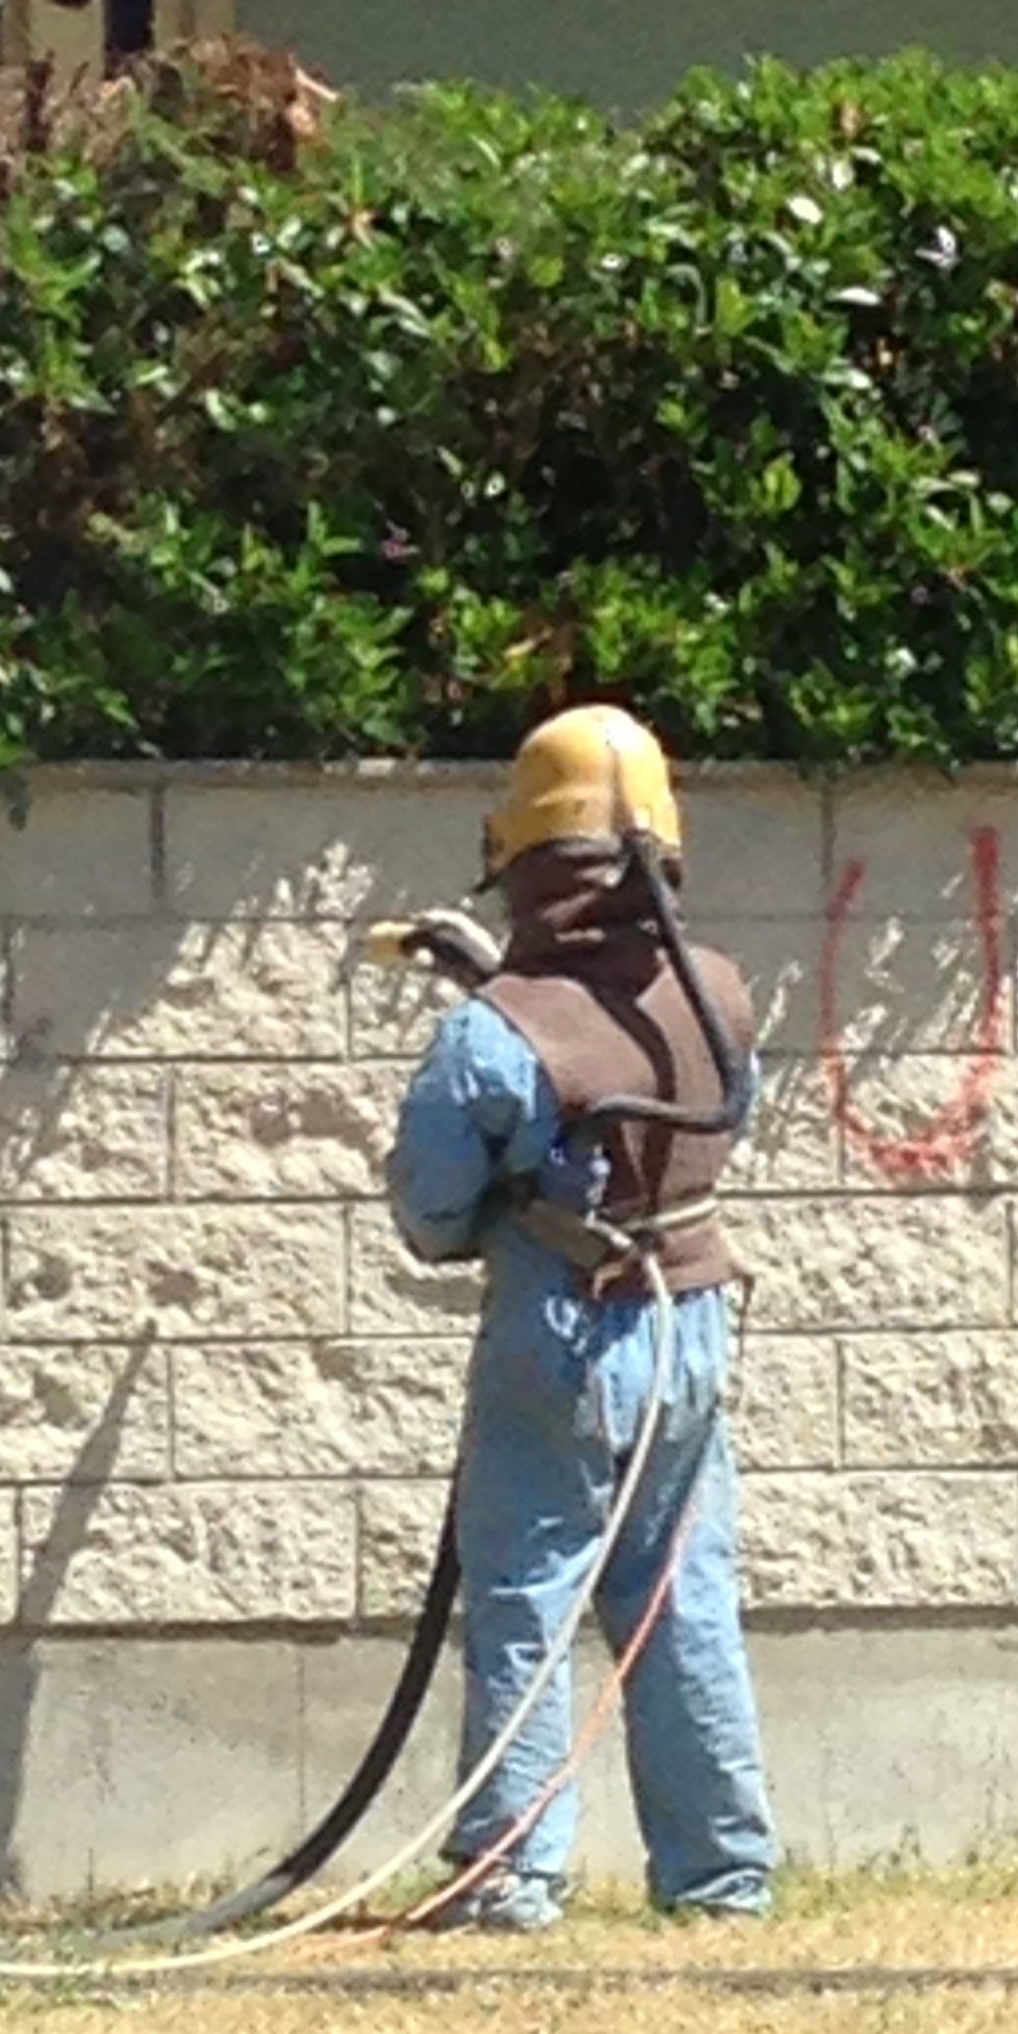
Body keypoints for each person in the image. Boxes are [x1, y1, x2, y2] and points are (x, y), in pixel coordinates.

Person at [385, 703, 778, 1931]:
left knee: (528, 1594)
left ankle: (507, 1876)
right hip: (691, 1324)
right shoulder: (719, 992)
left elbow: (431, 1212)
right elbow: (716, 1121)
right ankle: (721, 1878)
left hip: (561, 1332)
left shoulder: (488, 1036)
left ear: (524, 863)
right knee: (682, 1592)